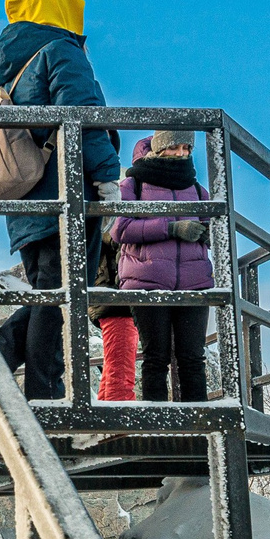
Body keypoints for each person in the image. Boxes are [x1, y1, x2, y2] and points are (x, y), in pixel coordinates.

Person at [0, 0, 120, 400]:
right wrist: (107, 176)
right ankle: (33, 382)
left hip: (22, 199)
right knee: (60, 297)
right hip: (65, 194)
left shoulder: (6, 69)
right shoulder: (60, 51)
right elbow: (83, 117)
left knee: (50, 293)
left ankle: (6, 365)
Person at [108, 128, 213, 402]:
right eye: (174, 147)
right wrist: (172, 228)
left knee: (193, 359)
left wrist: (209, 232)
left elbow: (217, 230)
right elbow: (119, 229)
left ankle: (197, 431)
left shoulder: (198, 190)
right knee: (156, 358)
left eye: (186, 148)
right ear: (158, 148)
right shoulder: (133, 185)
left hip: (195, 282)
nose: (181, 154)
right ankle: (157, 429)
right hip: (146, 281)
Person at [93, 140, 147, 401]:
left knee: (117, 357)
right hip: (114, 292)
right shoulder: (105, 209)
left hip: (110, 291)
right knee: (121, 359)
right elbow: (110, 236)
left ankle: (108, 412)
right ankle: (118, 411)